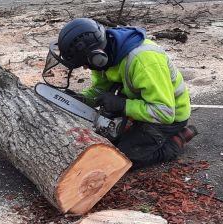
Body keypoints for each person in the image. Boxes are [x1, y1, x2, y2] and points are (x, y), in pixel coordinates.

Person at [54, 18, 197, 168]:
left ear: (96, 56)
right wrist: (81, 98)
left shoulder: (144, 61)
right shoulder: (105, 55)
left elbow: (165, 113)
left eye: (84, 64)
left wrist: (122, 105)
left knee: (122, 158)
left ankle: (176, 141)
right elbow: (99, 89)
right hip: (139, 107)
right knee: (107, 142)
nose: (85, 68)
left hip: (168, 116)